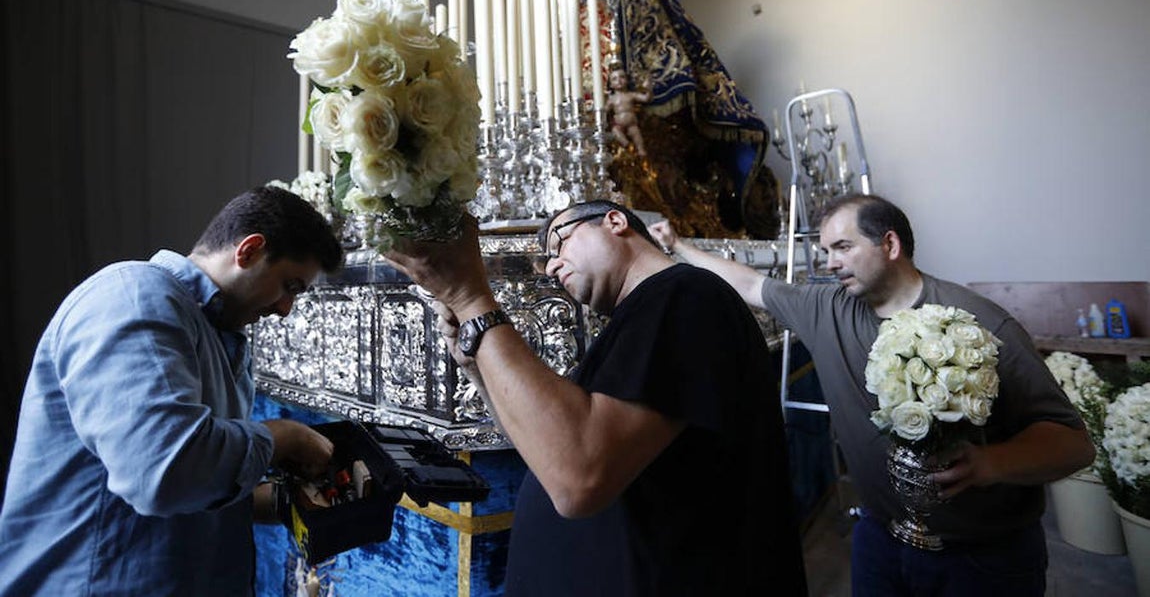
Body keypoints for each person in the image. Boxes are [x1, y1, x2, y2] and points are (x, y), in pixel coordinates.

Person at [650, 193, 1095, 596]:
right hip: (880, 540)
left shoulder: (978, 323)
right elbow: (750, 285)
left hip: (982, 555)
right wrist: (678, 245)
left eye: (842, 248)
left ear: (890, 244)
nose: (829, 263)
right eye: (825, 251)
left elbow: (1073, 442)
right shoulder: (826, 309)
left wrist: (989, 464)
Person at [385, 200, 808, 596]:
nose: (551, 267)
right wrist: (477, 365)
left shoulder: (685, 294)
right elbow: (546, 448)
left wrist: (470, 298)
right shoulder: (644, 315)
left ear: (615, 221)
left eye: (559, 241)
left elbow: (579, 476)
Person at [0, 185, 343, 595]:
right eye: (290, 286)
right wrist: (286, 437)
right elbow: (163, 472)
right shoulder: (133, 297)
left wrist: (293, 503)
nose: (286, 310)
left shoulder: (221, 337)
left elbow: (194, 494)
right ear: (248, 251)